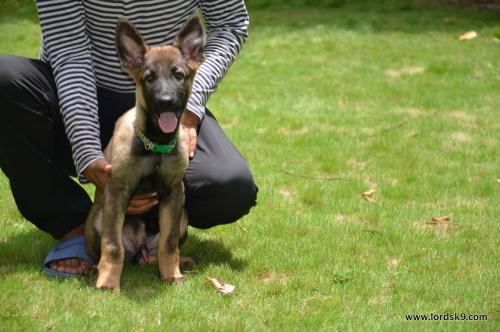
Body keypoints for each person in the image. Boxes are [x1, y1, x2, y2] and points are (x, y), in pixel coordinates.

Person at [0, 0, 258, 276]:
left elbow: (230, 23)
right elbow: (69, 51)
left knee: (230, 187)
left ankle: (155, 233)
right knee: (4, 79)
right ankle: (74, 227)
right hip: (76, 96)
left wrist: (190, 107)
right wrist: (87, 149)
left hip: (166, 104)